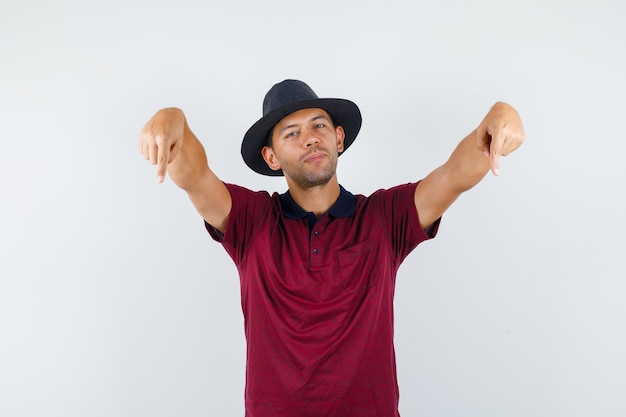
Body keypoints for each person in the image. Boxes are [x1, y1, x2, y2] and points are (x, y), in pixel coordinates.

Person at [138, 79, 524, 417]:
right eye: (291, 133)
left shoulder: (384, 217)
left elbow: (455, 174)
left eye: (318, 125)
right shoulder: (250, 220)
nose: (309, 137)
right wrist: (173, 119)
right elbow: (194, 176)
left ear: (338, 137)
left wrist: (500, 115)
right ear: (271, 158)